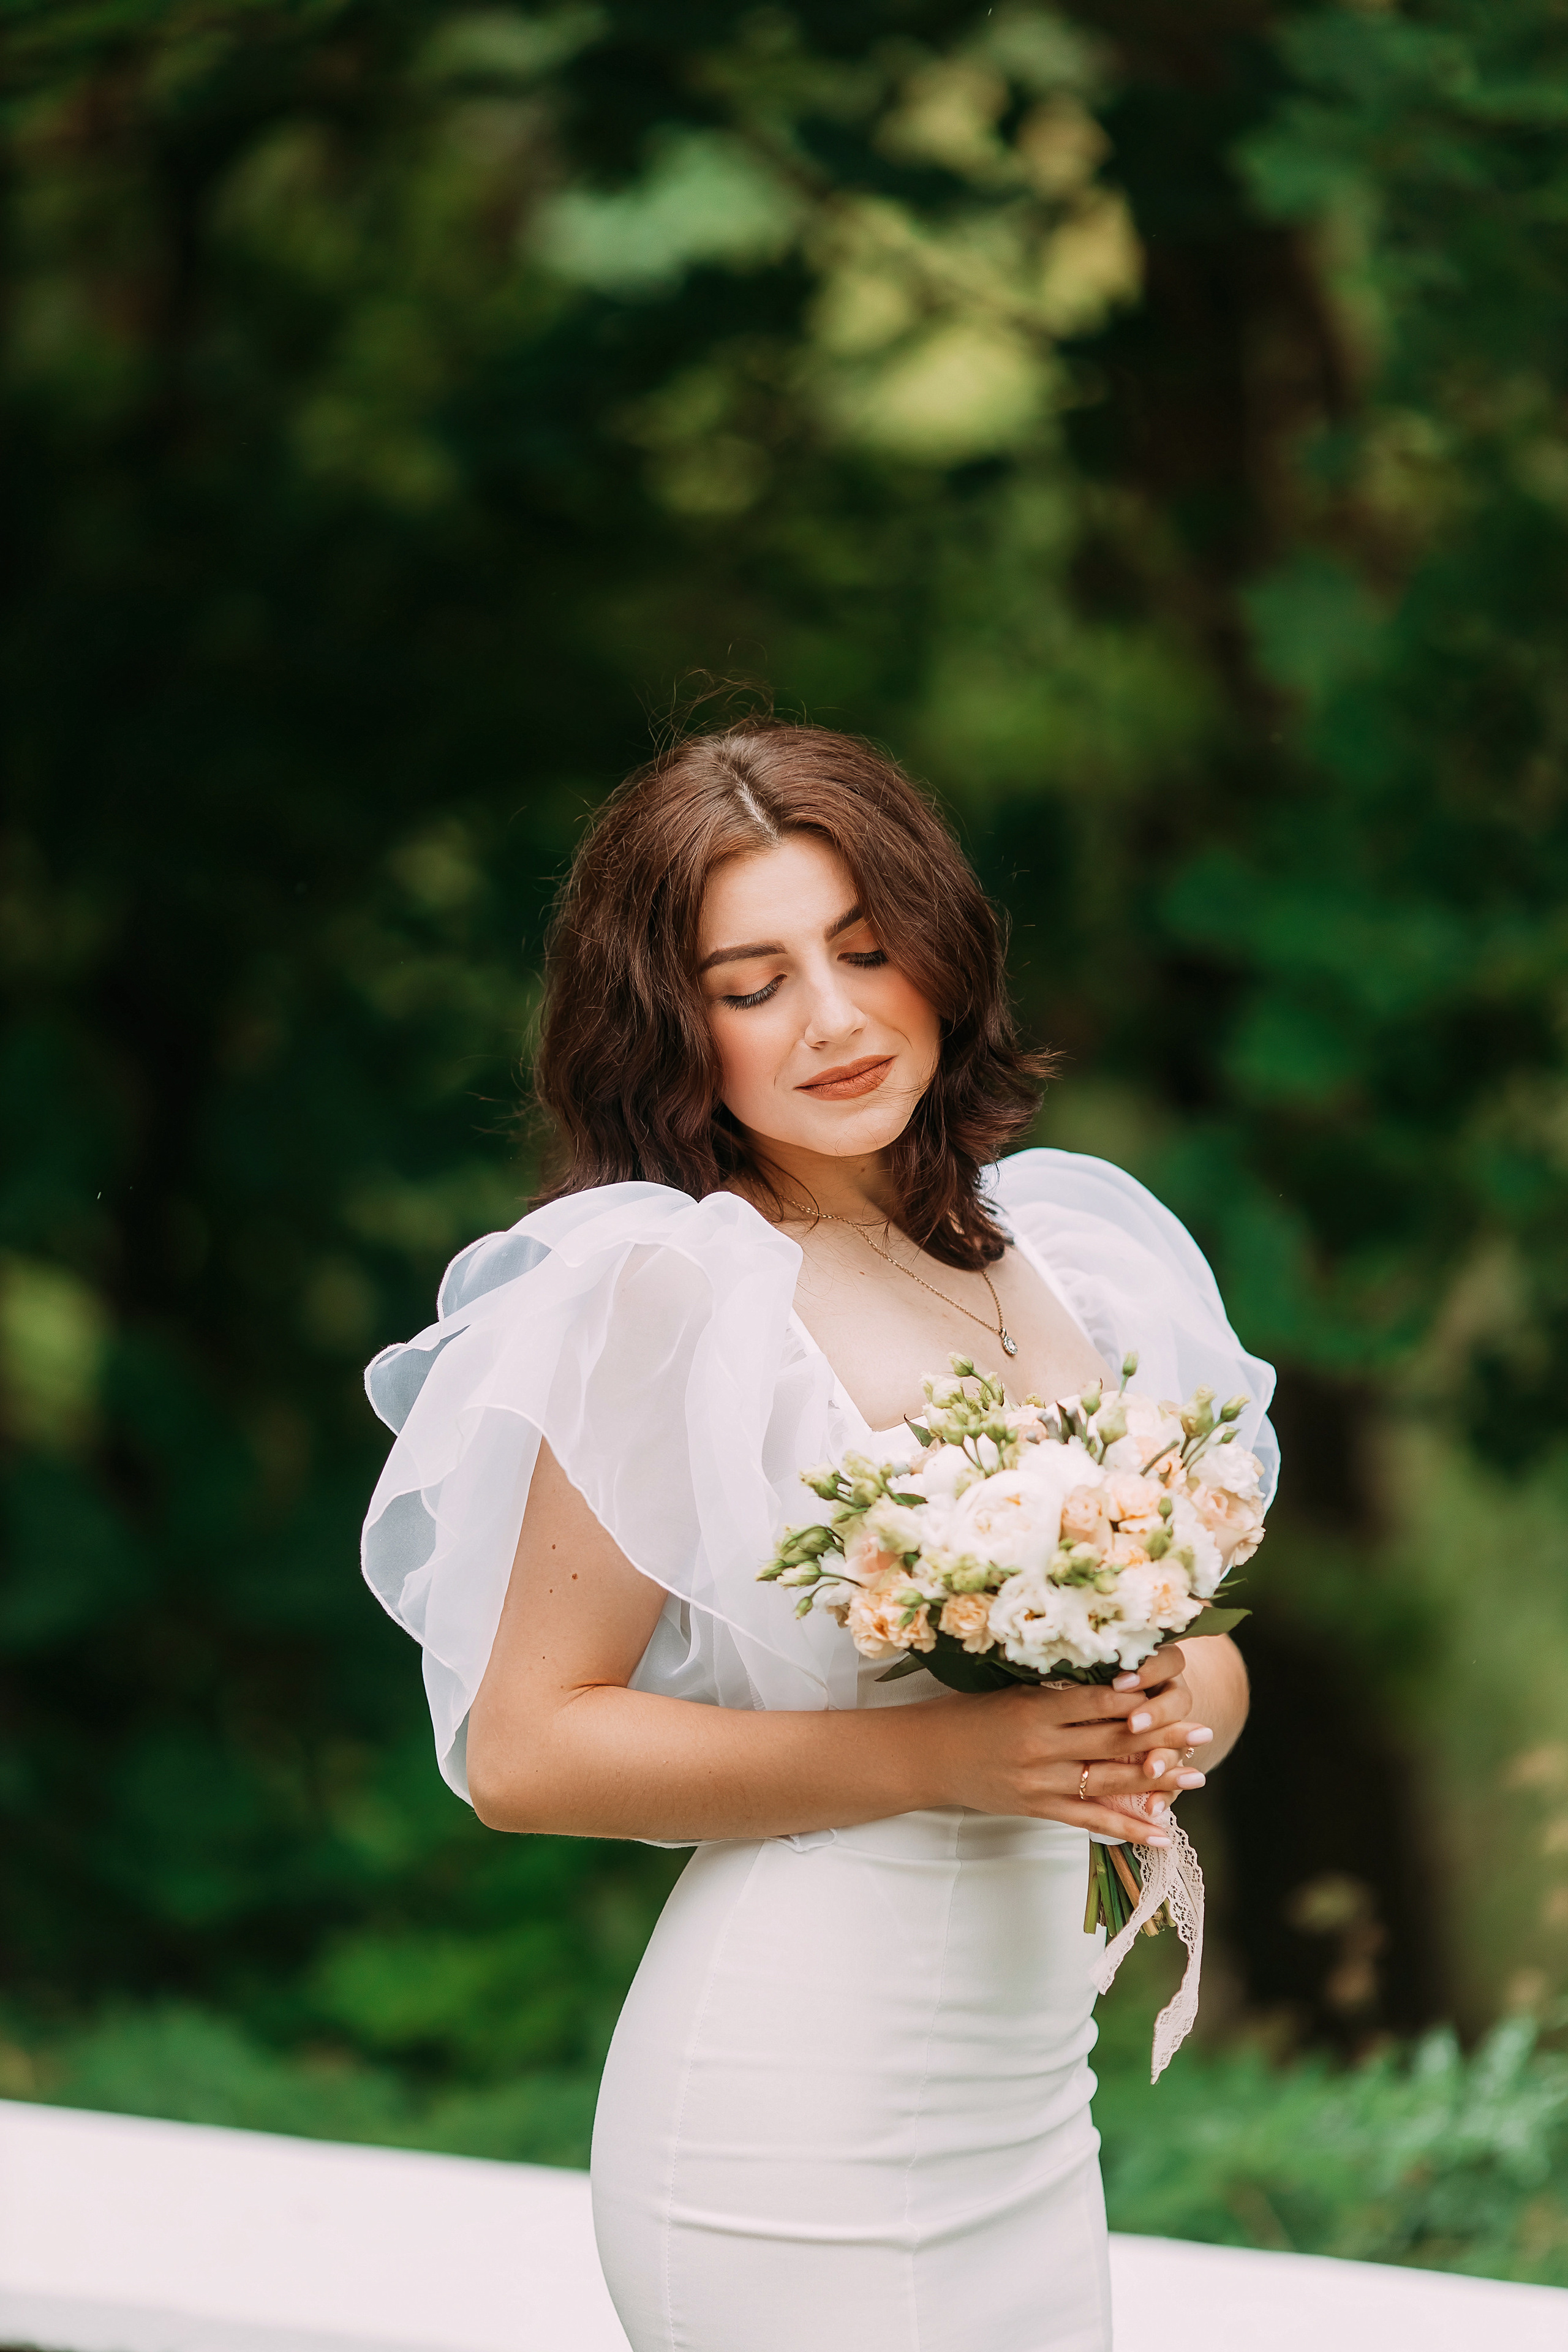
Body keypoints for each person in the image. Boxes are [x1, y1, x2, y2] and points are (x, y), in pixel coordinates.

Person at [362, 719, 1276, 2352]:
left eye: (867, 950)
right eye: (753, 980)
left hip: (1022, 2100)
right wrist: (950, 1761)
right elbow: (523, 1751)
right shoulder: (674, 1294)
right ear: (668, 1024)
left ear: (942, 953)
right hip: (795, 2115)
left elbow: (1194, 1647)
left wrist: (1174, 1700)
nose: (837, 1018)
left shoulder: (1064, 1256)